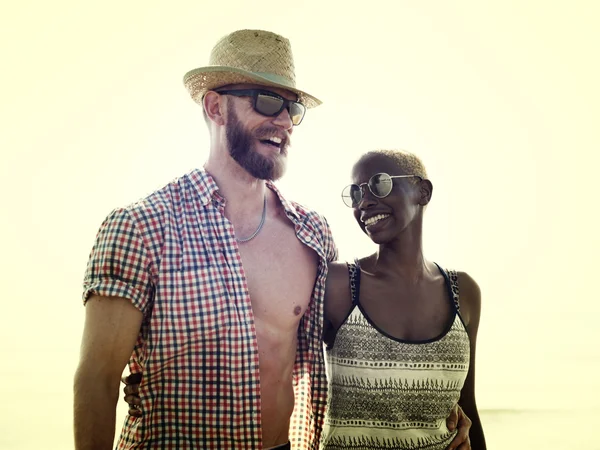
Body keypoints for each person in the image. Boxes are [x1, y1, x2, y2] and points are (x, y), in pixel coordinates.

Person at [75, 29, 472, 450]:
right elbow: (97, 380)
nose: (283, 121)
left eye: (292, 108)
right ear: (215, 107)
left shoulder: (312, 235)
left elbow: (360, 346)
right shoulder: (141, 228)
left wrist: (436, 412)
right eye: (266, 102)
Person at [321, 150, 486, 449]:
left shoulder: (464, 293)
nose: (365, 202)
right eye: (356, 193)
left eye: (380, 184)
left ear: (423, 192)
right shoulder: (338, 284)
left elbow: (468, 406)